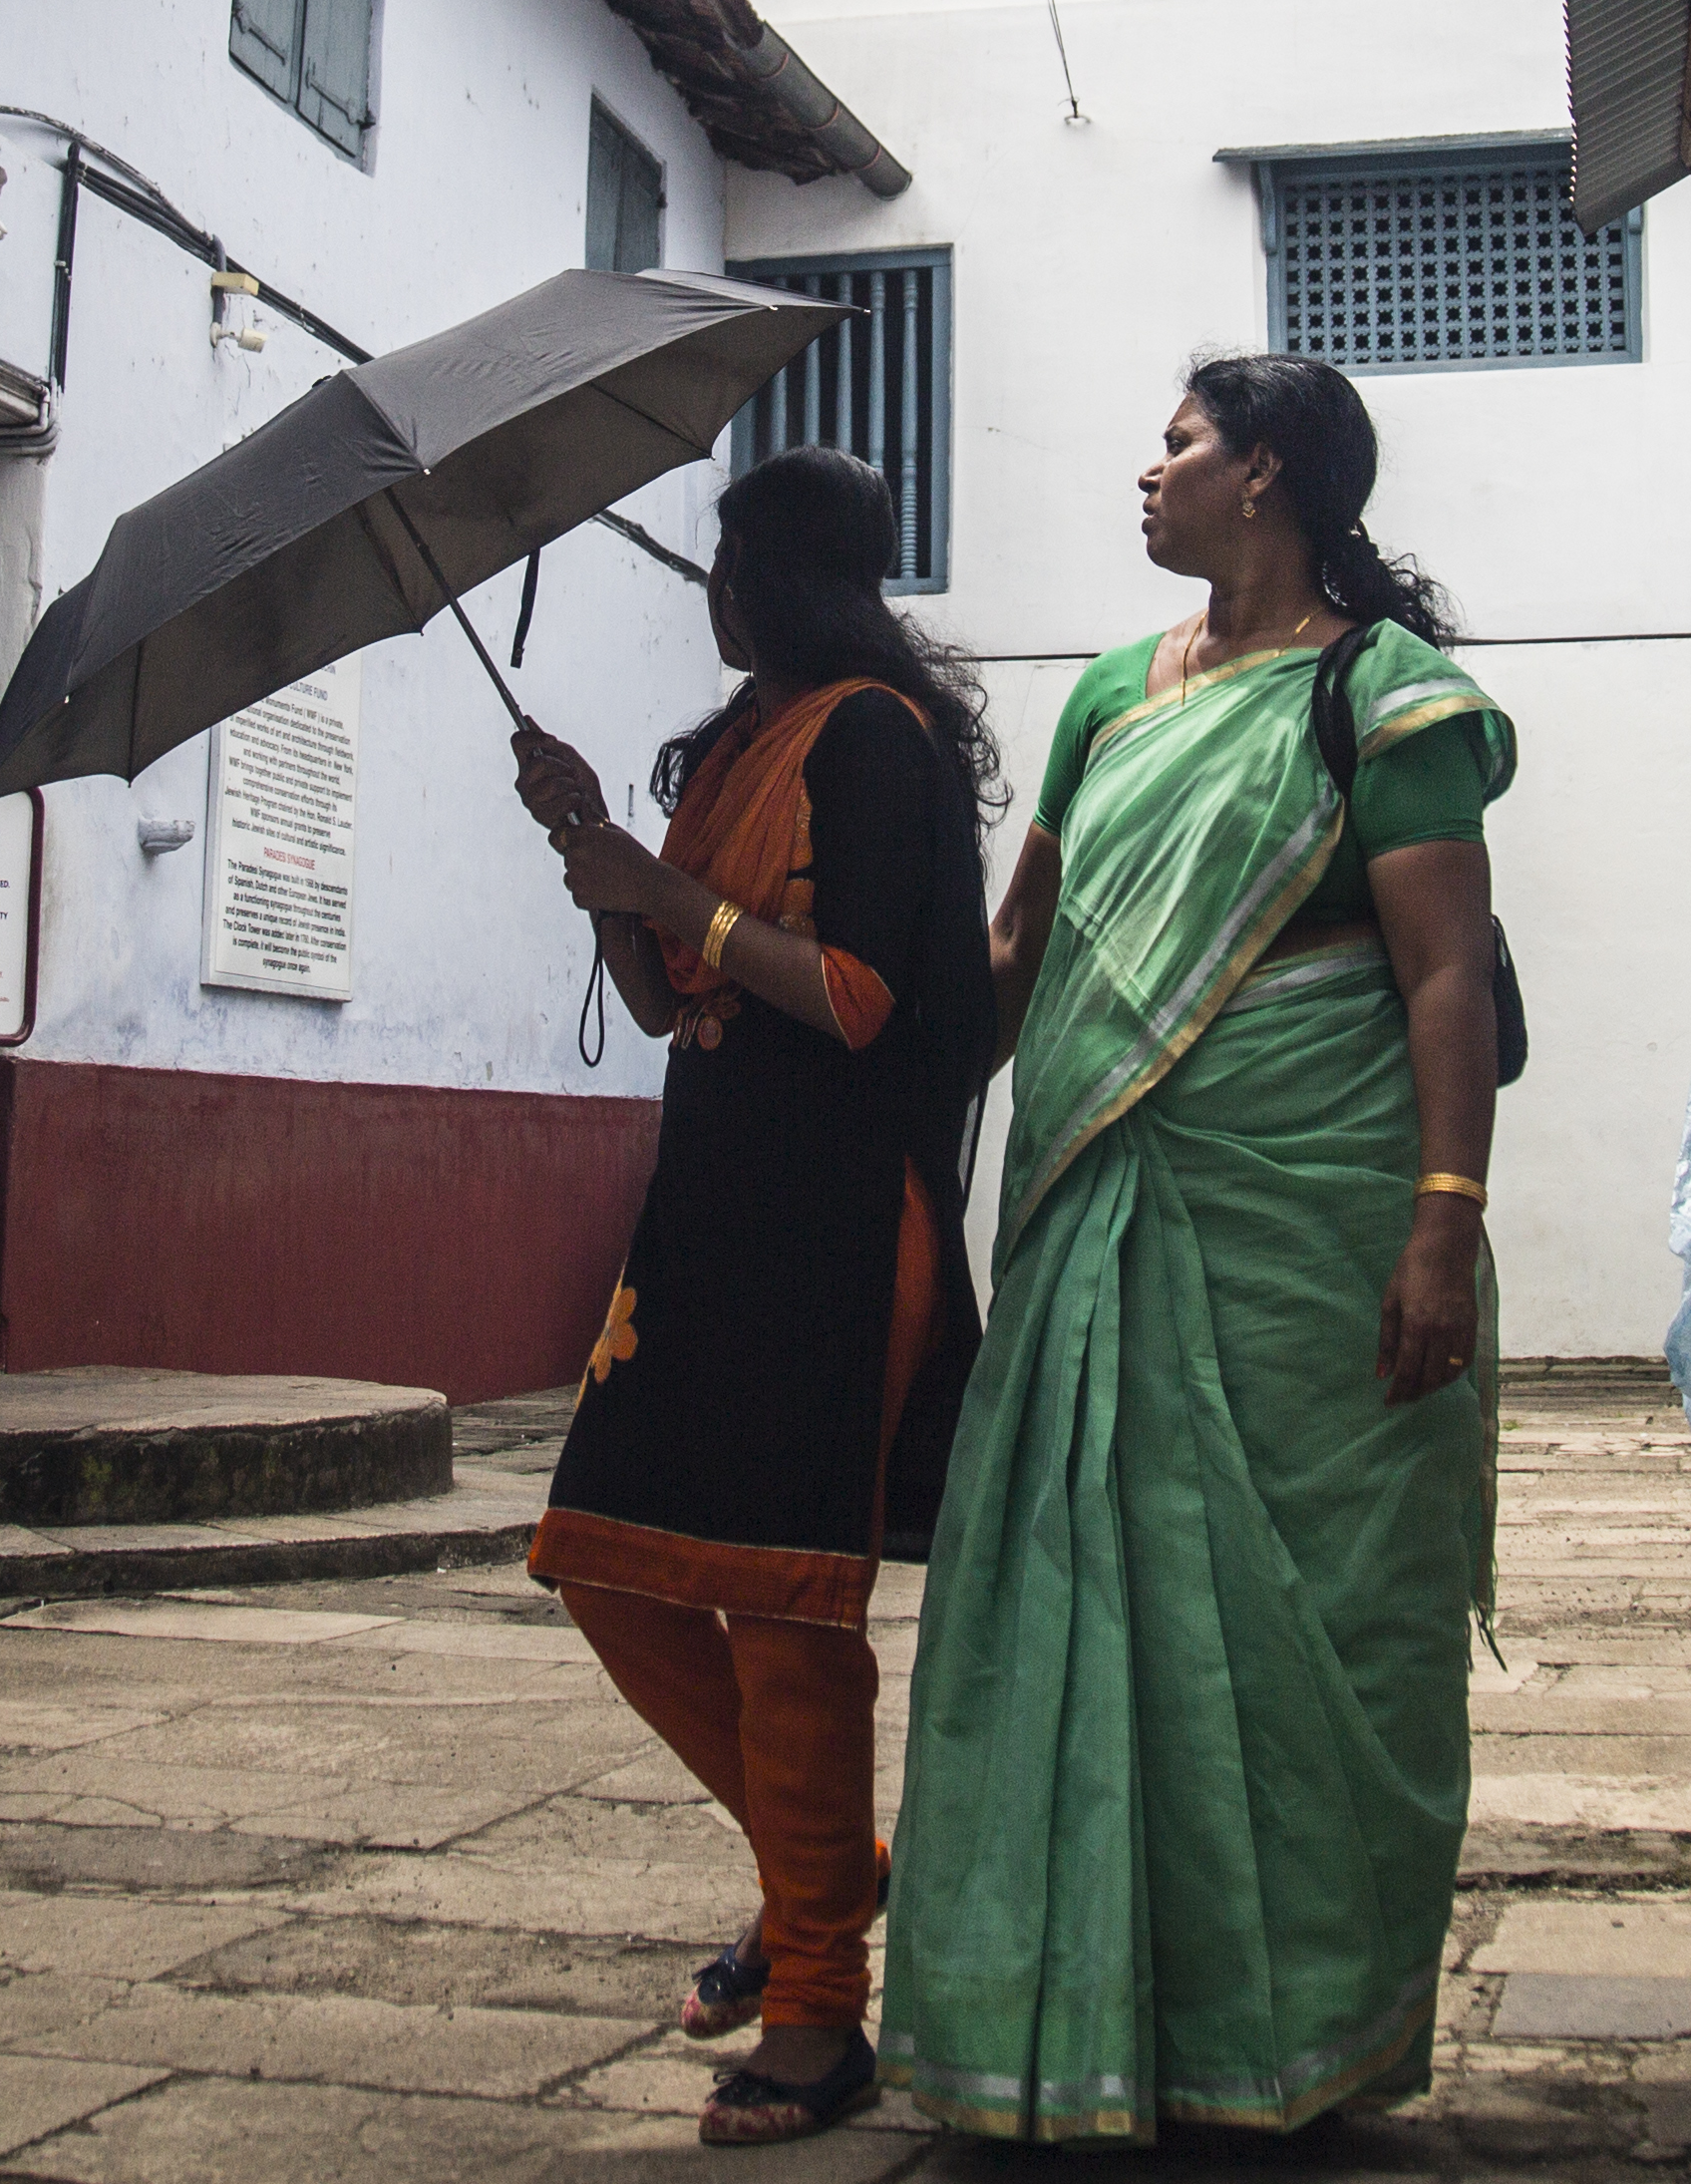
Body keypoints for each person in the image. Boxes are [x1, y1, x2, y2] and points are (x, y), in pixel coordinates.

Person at [877, 354, 1514, 2146]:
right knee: (1073, 1599)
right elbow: (1024, 947)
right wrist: (890, 1110)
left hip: (1307, 1225)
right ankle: (1070, 2029)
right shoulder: (1104, 696)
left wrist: (1442, 1232)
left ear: (1272, 478)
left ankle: (1288, 2029)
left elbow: (1445, 977)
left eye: (1177, 447)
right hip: (1097, 1208)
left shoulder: (1381, 699)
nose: (1143, 475)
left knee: (1310, 1625)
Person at [508, 444, 995, 2149]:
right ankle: (836, 1873)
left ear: (789, 576)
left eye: (727, 560)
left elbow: (860, 996)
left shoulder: (877, 736)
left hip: (845, 1215)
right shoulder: (729, 745)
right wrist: (594, 850)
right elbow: (663, 1004)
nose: (707, 590)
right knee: (609, 1559)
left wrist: (663, 895)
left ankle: (817, 2011)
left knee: (790, 1615)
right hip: (710, 1206)